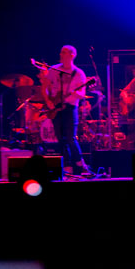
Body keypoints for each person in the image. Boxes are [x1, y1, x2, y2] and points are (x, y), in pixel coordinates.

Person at [40, 45, 95, 177]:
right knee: (60, 139)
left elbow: (82, 94)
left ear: (72, 55)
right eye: (61, 52)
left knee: (71, 138)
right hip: (55, 107)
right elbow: (44, 87)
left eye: (64, 52)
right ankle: (67, 167)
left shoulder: (79, 73)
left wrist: (74, 94)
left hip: (70, 108)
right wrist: (48, 101)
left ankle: (80, 164)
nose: (61, 54)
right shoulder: (54, 69)